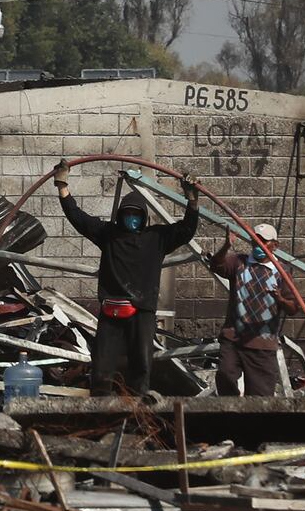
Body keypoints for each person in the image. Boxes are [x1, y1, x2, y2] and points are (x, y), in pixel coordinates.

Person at [54, 159, 199, 396]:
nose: (131, 219)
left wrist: (192, 201)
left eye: (136, 215)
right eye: (127, 214)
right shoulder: (108, 234)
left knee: (141, 364)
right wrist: (62, 185)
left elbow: (186, 230)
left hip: (141, 310)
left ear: (144, 218)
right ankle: (99, 407)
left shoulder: (157, 238)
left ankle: (138, 408)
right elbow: (77, 217)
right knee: (102, 365)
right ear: (120, 216)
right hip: (111, 308)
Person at [210, 224, 299, 397]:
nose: (258, 245)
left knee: (260, 397)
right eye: (255, 241)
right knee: (225, 375)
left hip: (262, 343)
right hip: (234, 337)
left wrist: (280, 299)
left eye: (263, 242)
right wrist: (226, 246)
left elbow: (293, 308)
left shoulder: (281, 272)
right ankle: (231, 416)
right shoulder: (239, 263)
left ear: (274, 245)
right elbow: (216, 265)